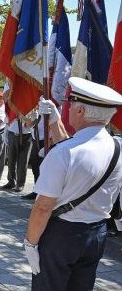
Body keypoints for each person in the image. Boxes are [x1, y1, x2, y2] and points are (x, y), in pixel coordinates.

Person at [23, 77, 122, 291]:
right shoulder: (118, 148)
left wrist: (30, 243)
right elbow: (79, 150)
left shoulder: (63, 153)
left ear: (80, 112)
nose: (67, 109)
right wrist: (54, 120)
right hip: (96, 234)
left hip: (61, 235)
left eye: (70, 105)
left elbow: (42, 207)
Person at [3, 114, 33, 192]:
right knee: (11, 159)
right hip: (12, 134)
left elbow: (31, 125)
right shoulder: (13, 106)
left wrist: (24, 117)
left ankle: (20, 184)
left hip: (26, 136)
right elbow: (7, 120)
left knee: (23, 161)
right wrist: (5, 132)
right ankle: (11, 181)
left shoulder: (31, 107)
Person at [22, 112, 45, 200]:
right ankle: (36, 191)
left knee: (43, 169)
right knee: (35, 167)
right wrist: (26, 117)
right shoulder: (38, 112)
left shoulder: (50, 112)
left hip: (45, 142)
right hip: (36, 141)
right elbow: (29, 126)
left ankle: (42, 192)